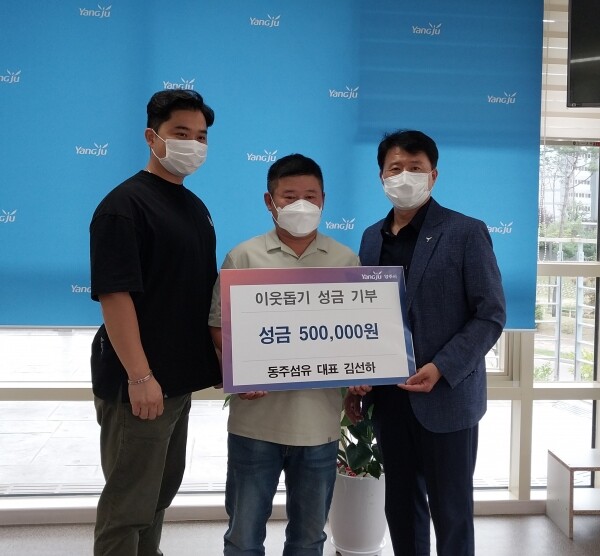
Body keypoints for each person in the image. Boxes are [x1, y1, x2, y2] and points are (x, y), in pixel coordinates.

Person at [345, 130, 506, 556]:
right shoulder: (370, 237)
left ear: (433, 175)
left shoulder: (466, 232)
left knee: (451, 513)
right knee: (401, 507)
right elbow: (365, 317)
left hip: (446, 396)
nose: (404, 176)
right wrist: (359, 375)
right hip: (390, 397)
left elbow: (490, 314)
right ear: (381, 177)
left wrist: (442, 367)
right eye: (395, 168)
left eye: (415, 168)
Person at [89, 89, 221, 556]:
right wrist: (140, 376)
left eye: (201, 137)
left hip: (177, 381)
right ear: (152, 137)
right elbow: (115, 294)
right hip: (140, 384)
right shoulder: (124, 206)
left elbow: (196, 294)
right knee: (128, 503)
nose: (193, 144)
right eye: (181, 133)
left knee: (159, 492)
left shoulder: (194, 207)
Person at [208, 154, 360, 555]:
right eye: (289, 197)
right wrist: (240, 370)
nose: (301, 205)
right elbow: (219, 328)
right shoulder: (243, 257)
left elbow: (358, 336)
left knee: (309, 539)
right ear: (269, 201)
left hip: (319, 426)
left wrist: (361, 377)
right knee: (243, 538)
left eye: (311, 196)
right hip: (255, 424)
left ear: (324, 200)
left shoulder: (346, 261)